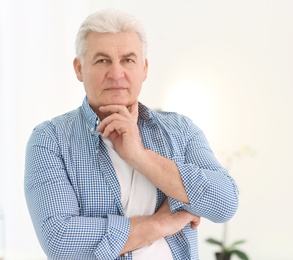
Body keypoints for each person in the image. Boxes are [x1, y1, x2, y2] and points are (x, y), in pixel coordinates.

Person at [24, 9, 239, 260]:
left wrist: (140, 157)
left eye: (128, 60)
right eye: (102, 60)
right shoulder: (50, 140)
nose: (116, 74)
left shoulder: (181, 130)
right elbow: (61, 241)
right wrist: (160, 224)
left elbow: (225, 203)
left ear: (144, 68)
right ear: (79, 68)